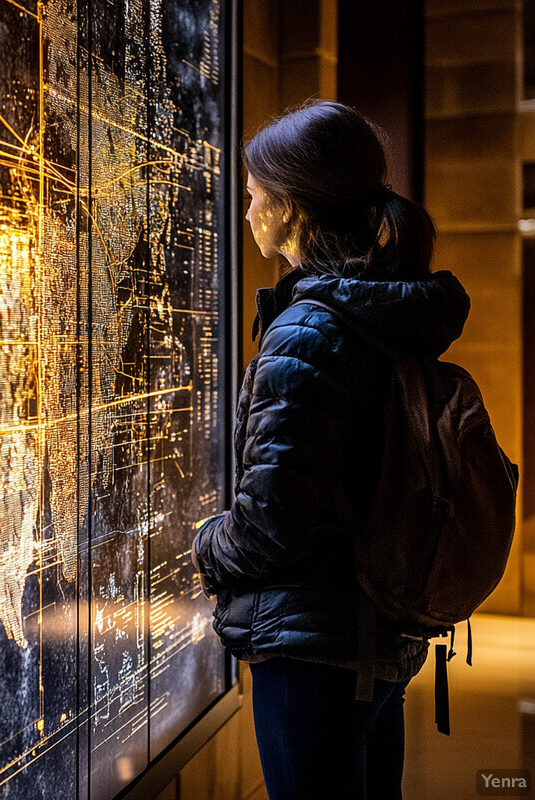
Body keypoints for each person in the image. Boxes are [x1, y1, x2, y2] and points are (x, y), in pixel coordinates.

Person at [192, 100, 471, 800]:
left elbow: (272, 524)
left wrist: (203, 545)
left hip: (313, 650)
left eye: (254, 194)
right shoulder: (377, 309)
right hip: (375, 638)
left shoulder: (307, 332)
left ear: (291, 207)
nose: (247, 208)